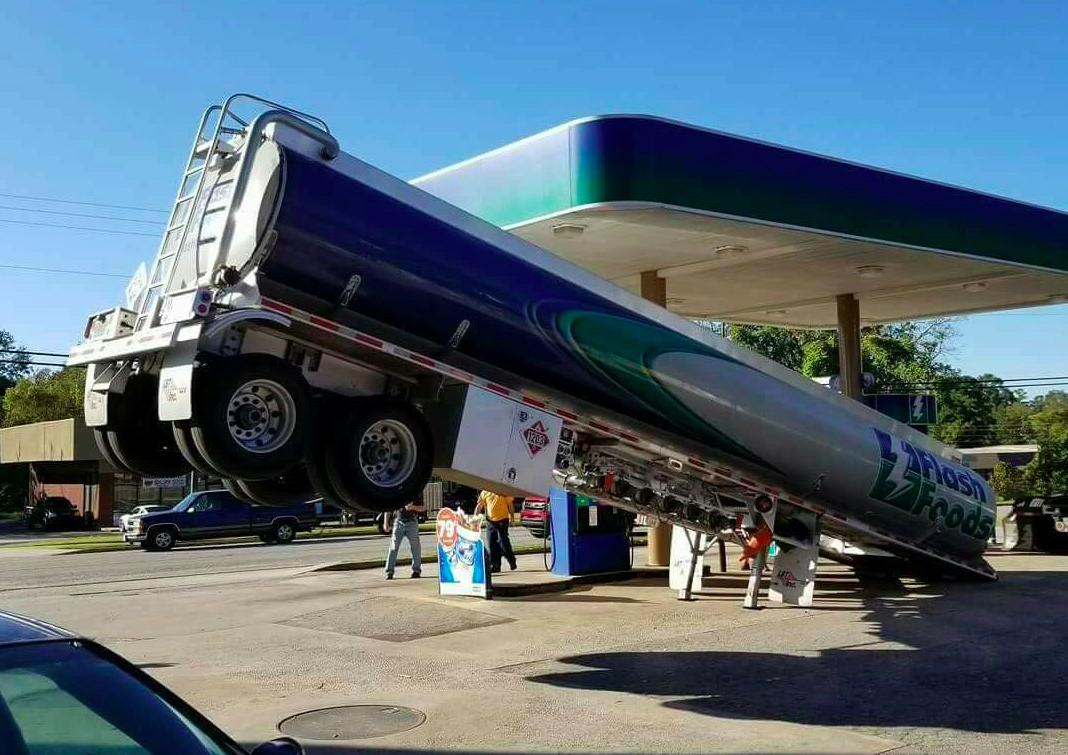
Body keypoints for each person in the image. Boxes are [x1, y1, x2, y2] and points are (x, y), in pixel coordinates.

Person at [475, 489, 516, 573]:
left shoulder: (503, 490)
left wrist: (512, 518)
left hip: (503, 520)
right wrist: (474, 519)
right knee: (492, 543)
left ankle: (511, 560)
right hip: (490, 522)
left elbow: (510, 505)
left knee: (502, 541)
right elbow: (479, 506)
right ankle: (495, 565)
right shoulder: (485, 492)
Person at [384, 498, 426, 580]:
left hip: (412, 522)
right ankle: (389, 571)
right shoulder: (397, 493)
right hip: (398, 522)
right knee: (393, 547)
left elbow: (423, 507)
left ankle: (416, 571)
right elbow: (388, 508)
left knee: (415, 548)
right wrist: (386, 523)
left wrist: (413, 507)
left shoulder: (415, 493)